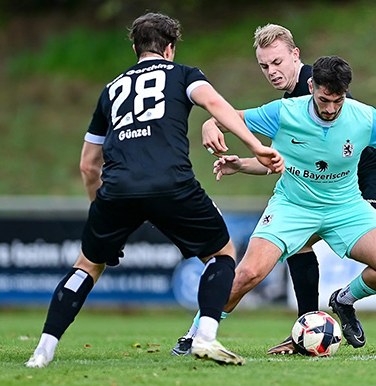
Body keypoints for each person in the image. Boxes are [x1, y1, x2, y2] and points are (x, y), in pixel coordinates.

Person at [171, 24, 376, 357]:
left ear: (296, 56)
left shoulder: (351, 107)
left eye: (277, 62)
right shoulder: (287, 108)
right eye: (265, 66)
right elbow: (280, 157)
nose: (272, 72)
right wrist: (216, 130)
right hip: (304, 198)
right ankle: (225, 332)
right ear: (311, 88)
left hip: (374, 174)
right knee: (254, 269)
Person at [24, 12, 284, 368]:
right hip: (171, 183)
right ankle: (205, 336)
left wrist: (98, 210)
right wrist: (255, 146)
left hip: (117, 189)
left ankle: (43, 350)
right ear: (170, 49)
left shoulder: (111, 89)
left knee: (87, 265)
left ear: (135, 48)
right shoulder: (183, 74)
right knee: (222, 253)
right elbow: (215, 104)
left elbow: (88, 164)